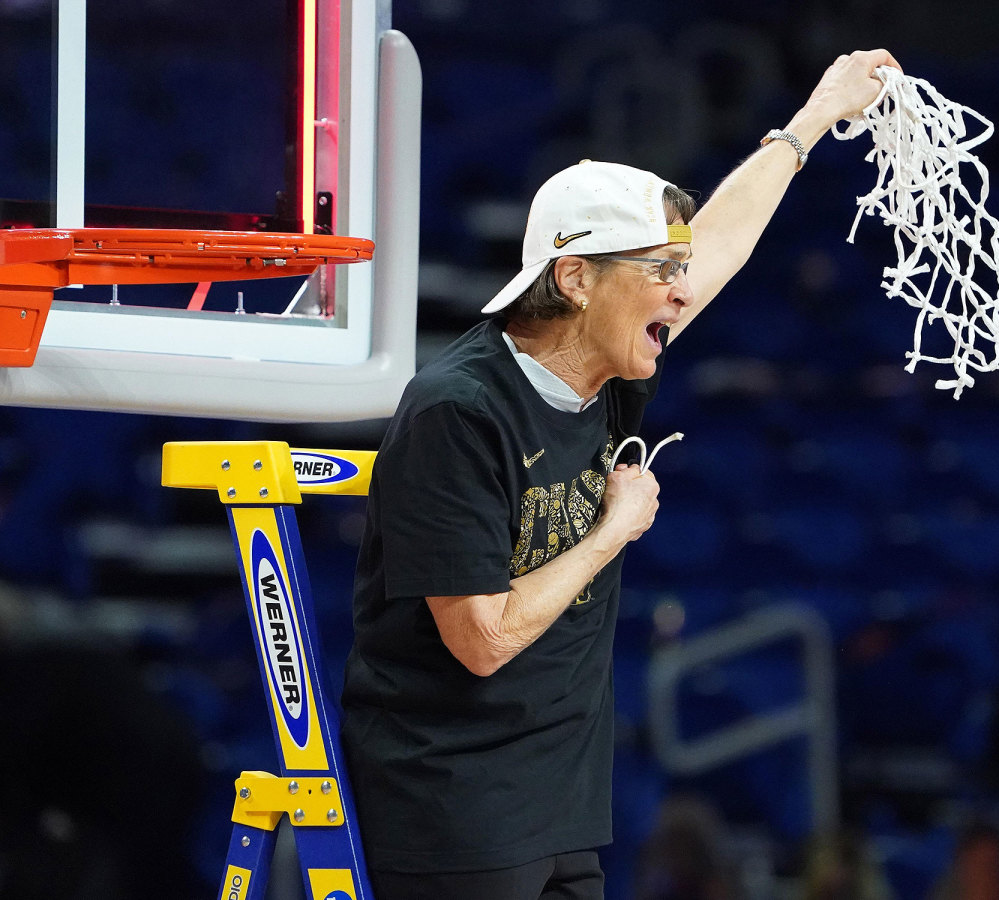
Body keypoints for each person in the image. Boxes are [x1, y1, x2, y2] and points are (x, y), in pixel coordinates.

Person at [340, 48, 902, 900]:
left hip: (563, 804)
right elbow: (481, 639)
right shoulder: (457, 410)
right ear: (573, 278)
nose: (680, 294)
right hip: (454, 811)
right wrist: (611, 532)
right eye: (658, 274)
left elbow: (718, 246)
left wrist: (812, 120)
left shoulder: (608, 370)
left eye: (676, 275)